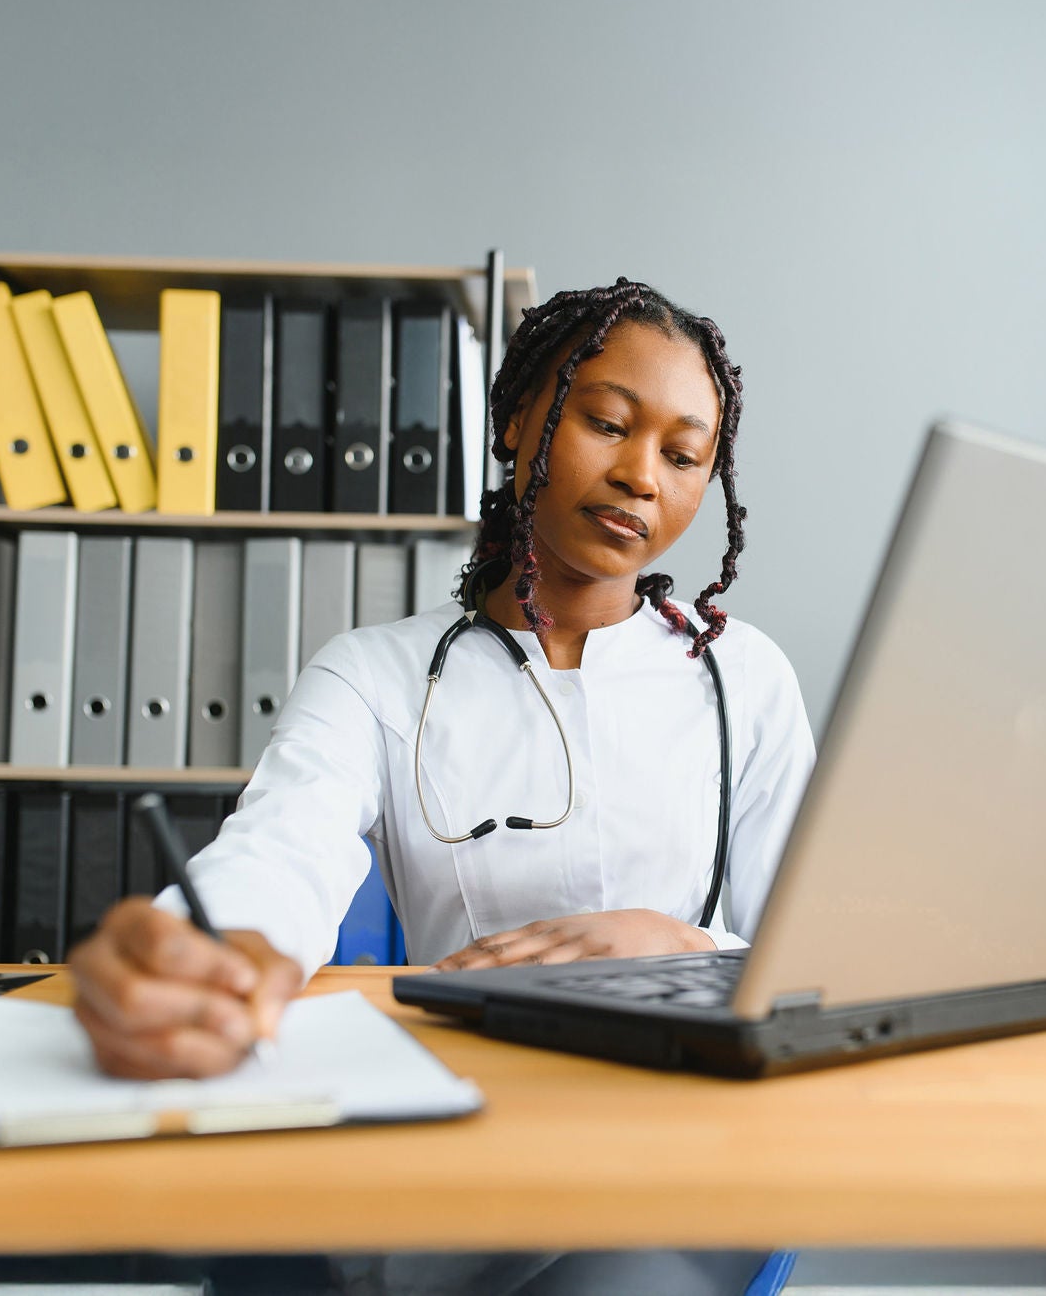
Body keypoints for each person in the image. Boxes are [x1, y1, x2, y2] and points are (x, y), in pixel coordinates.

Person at [69, 278, 816, 1081]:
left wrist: (684, 943)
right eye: (606, 423)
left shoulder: (744, 675)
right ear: (516, 419)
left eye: (681, 456)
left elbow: (816, 953)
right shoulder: (371, 675)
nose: (641, 476)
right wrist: (213, 952)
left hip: (688, 1089)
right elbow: (278, 855)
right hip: (466, 1077)